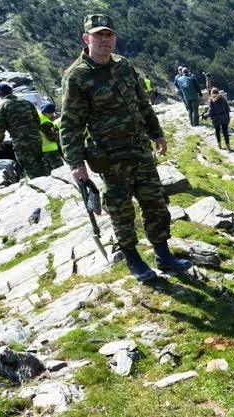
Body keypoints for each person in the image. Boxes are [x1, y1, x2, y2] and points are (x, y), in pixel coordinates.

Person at [60, 13, 191, 282]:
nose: (105, 40)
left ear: (115, 38)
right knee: (121, 210)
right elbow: (70, 124)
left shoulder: (123, 65)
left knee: (155, 203)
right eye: (99, 36)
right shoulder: (77, 76)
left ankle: (163, 254)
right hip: (110, 158)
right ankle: (133, 259)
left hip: (140, 150)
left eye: (109, 35)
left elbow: (142, 104)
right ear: (87, 39)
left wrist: (157, 134)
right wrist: (75, 163)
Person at [0, 82, 50, 178]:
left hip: (21, 142)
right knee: (40, 162)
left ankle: (40, 186)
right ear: (11, 91)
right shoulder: (26, 102)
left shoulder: (1, 106)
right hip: (35, 138)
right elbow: (37, 120)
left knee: (29, 166)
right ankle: (49, 181)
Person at [38, 102, 63, 171]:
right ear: (48, 112)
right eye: (51, 113)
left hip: (42, 150)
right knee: (60, 170)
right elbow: (53, 138)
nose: (52, 115)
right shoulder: (46, 123)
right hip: (51, 151)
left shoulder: (38, 117)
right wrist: (58, 133)